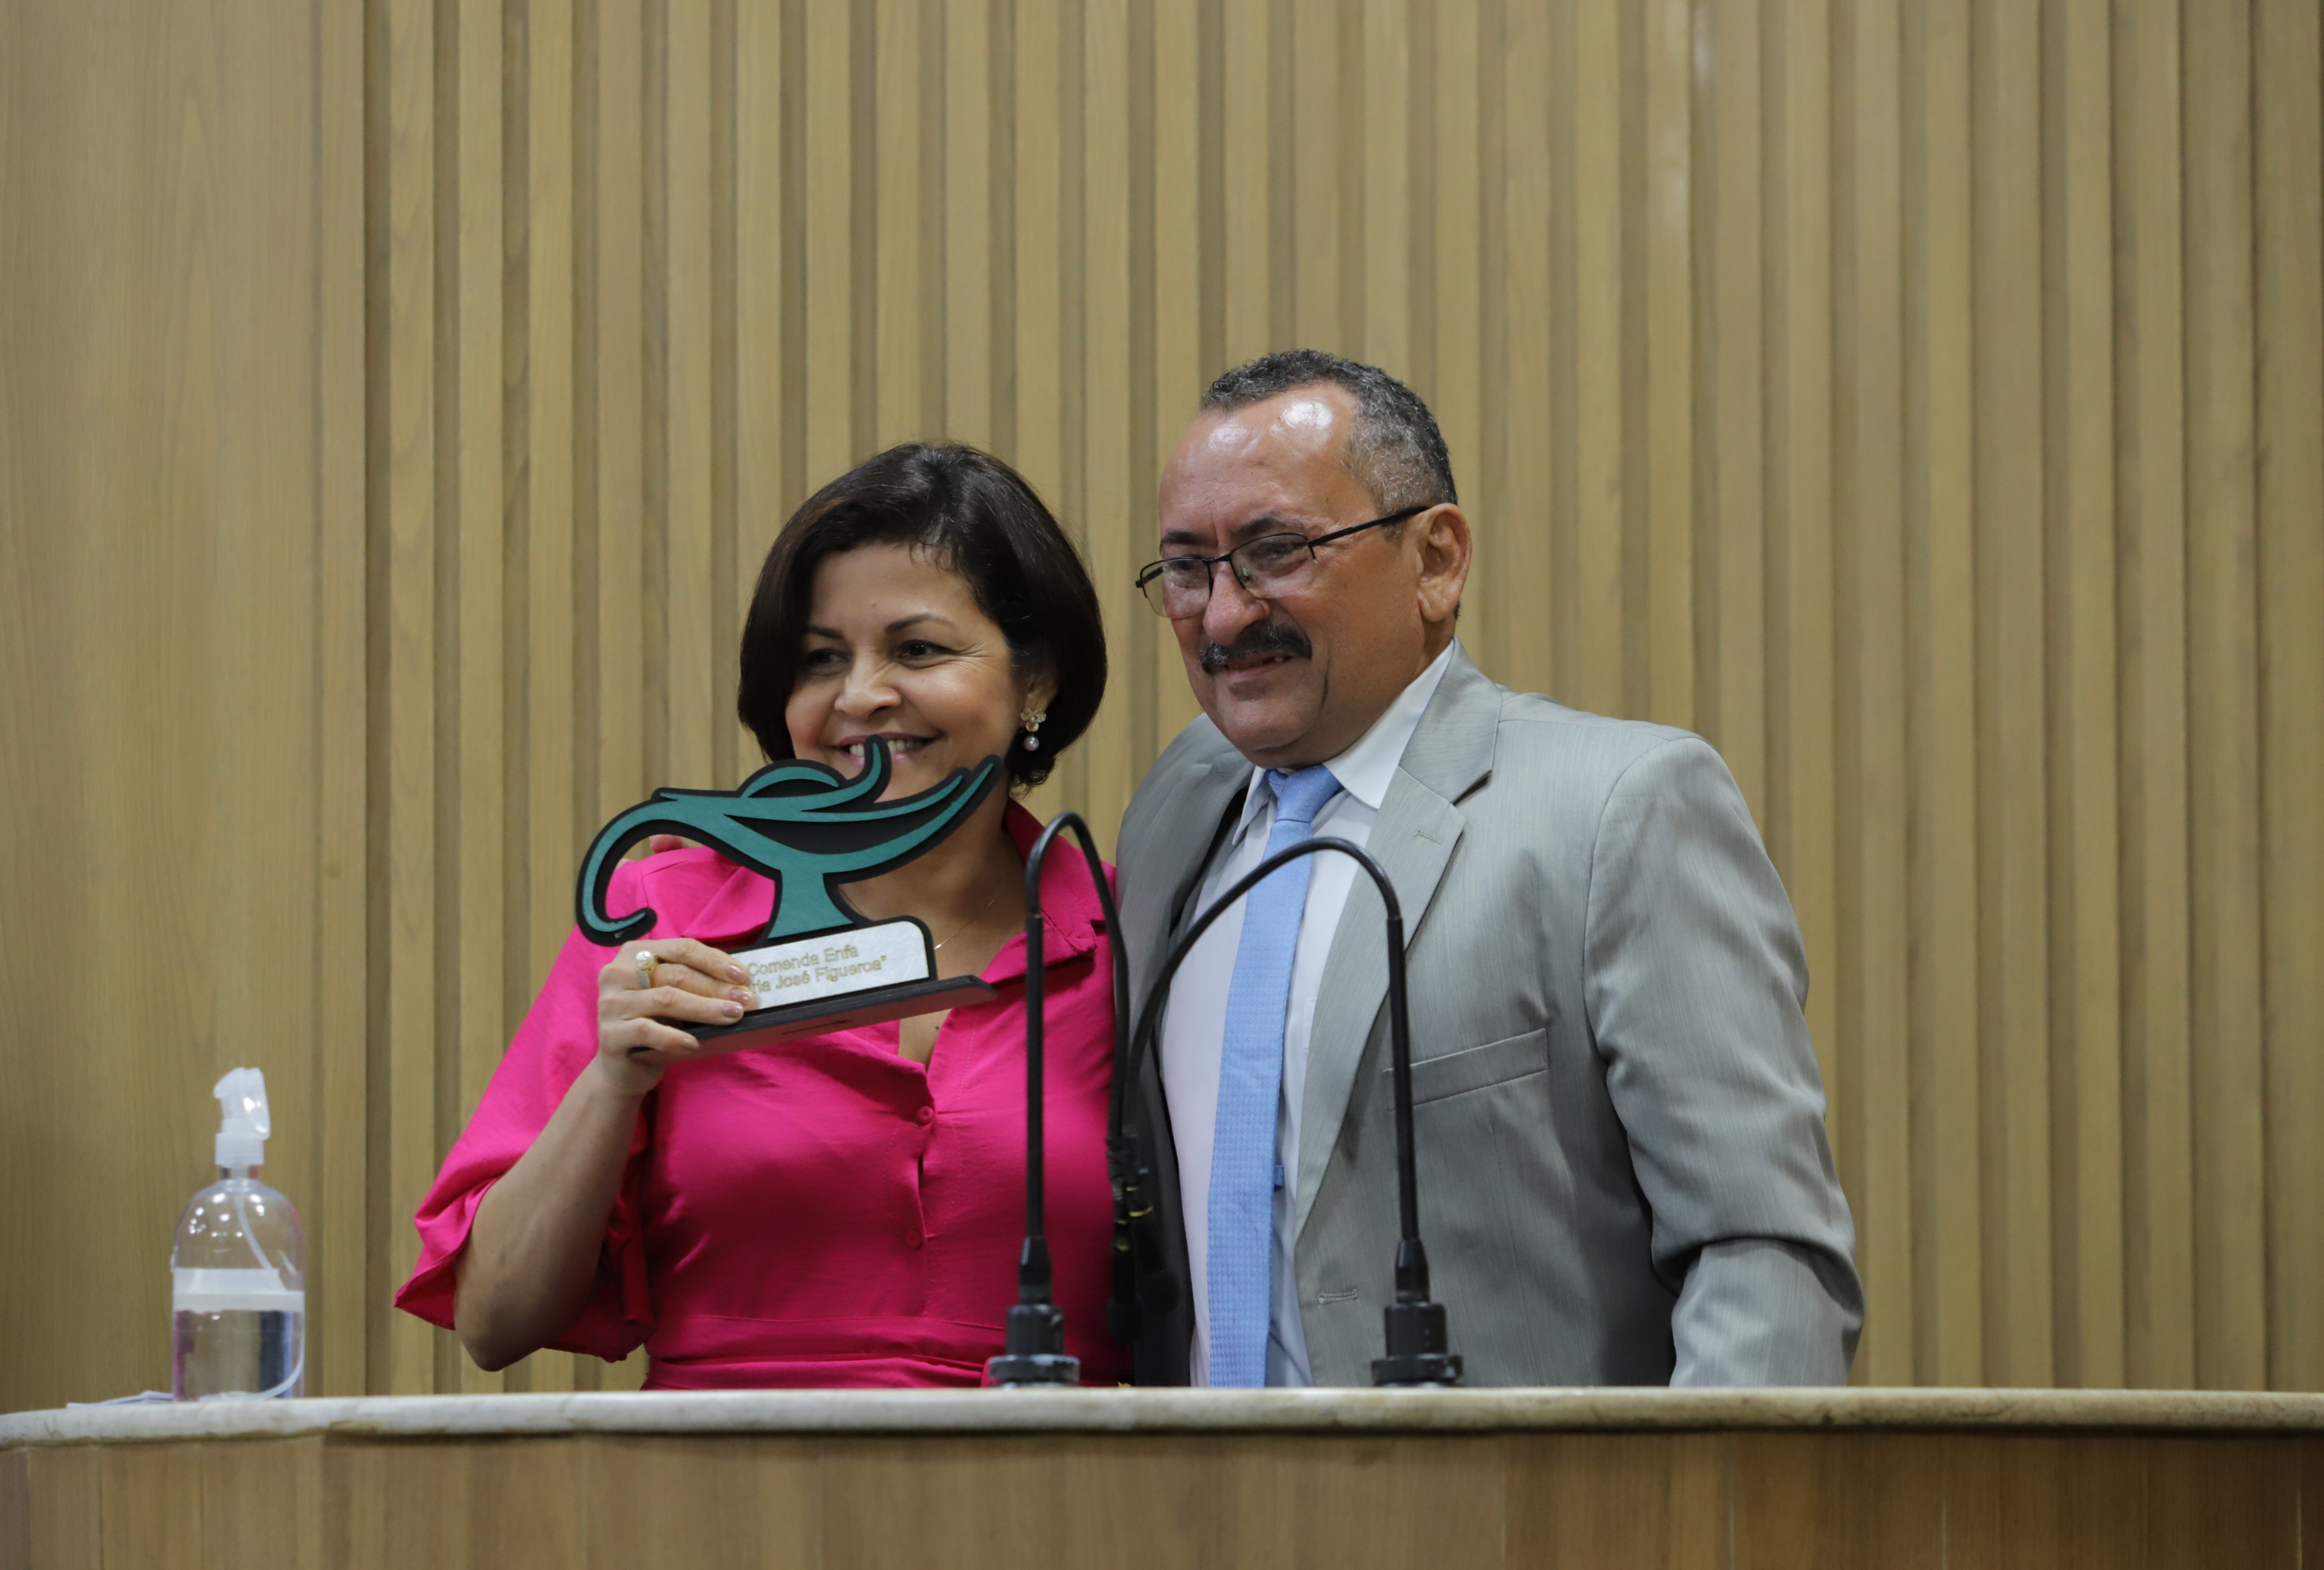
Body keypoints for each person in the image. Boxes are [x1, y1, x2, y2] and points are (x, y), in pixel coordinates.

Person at [1116, 349, 1862, 1387]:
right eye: (1188, 570)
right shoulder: (1173, 814)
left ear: (1437, 559)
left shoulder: (1620, 809)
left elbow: (1761, 1255)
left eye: (1278, 552)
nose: (1225, 615)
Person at [397, 443, 1123, 1388]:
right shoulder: (664, 918)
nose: (859, 696)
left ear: (1038, 678)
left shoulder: (1131, 932)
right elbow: (494, 1321)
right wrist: (613, 1084)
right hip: (720, 1473)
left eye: (918, 649)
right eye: (821, 660)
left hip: (1059, 1476)